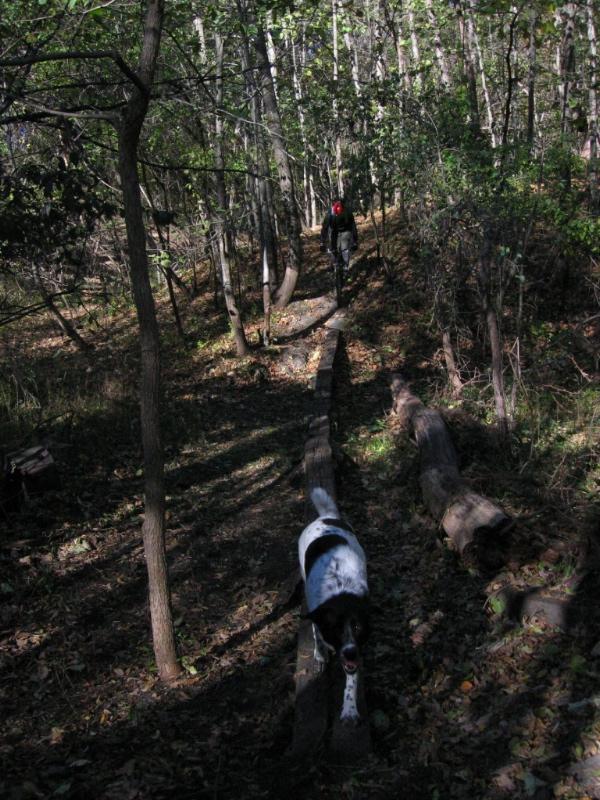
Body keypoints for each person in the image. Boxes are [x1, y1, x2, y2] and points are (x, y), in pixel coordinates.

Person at [320, 197, 358, 276]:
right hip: (334, 231)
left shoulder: (347, 212)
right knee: (334, 249)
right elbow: (325, 227)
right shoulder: (330, 214)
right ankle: (335, 265)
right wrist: (322, 242)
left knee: (344, 249)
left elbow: (353, 226)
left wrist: (355, 240)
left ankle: (345, 267)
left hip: (346, 231)